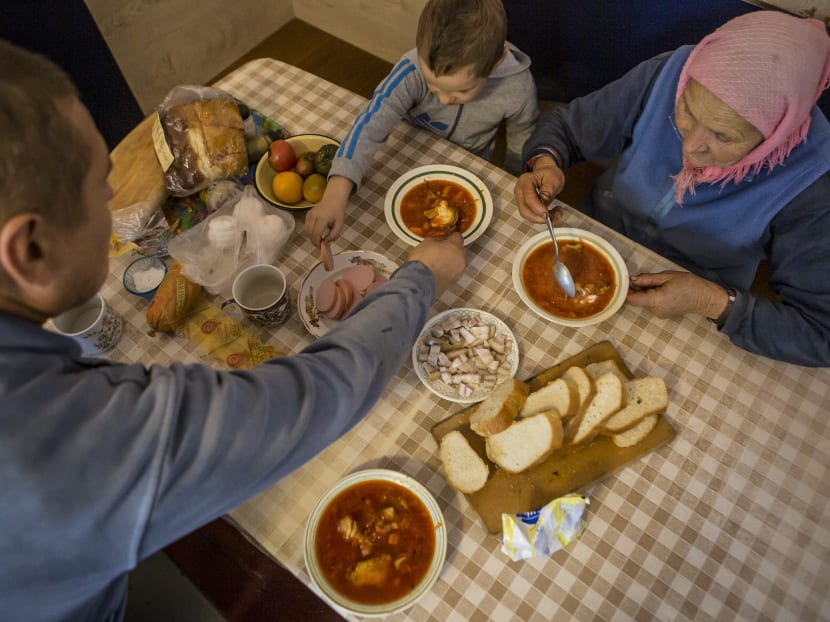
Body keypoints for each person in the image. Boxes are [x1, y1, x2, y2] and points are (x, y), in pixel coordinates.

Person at [0, 40, 466, 621]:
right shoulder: (61, 439)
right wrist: (421, 277)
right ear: (30, 249)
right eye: (101, 184)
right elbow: (317, 393)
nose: (115, 199)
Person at [514, 11, 830, 367]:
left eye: (722, 135)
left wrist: (710, 302)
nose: (690, 147)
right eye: (686, 110)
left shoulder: (813, 178)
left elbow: (821, 332)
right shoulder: (672, 73)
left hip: (695, 300)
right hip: (594, 240)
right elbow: (569, 129)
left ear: (776, 135)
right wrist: (545, 162)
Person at [304, 0, 539, 247]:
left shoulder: (518, 87)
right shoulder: (411, 70)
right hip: (406, 163)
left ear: (497, 61)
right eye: (432, 86)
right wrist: (335, 193)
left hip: (471, 174)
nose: (444, 99)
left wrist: (519, 180)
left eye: (461, 91)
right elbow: (370, 123)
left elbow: (523, 142)